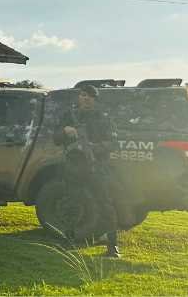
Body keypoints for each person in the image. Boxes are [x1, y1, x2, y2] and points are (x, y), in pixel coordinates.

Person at [54, 84, 122, 258]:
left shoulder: (103, 118)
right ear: (79, 97)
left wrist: (93, 148)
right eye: (83, 95)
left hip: (97, 166)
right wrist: (64, 131)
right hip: (75, 166)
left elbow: (114, 143)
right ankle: (68, 241)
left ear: (95, 99)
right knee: (72, 203)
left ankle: (112, 246)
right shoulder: (69, 116)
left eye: (90, 96)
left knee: (105, 204)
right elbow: (56, 139)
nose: (85, 98)